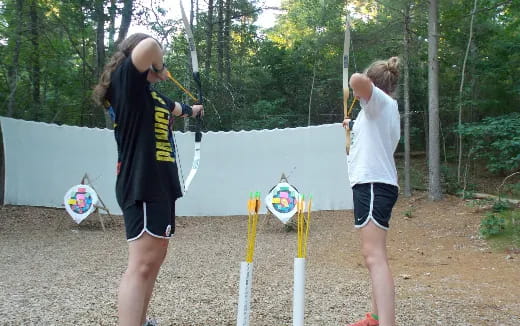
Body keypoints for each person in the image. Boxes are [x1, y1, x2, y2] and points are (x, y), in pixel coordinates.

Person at [93, 33, 203, 326]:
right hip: (141, 181)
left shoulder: (154, 96)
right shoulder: (128, 84)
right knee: (141, 265)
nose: (162, 65)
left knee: (153, 262)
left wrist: (195, 109)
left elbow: (181, 109)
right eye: (159, 63)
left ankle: (140, 322)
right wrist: (159, 64)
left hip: (160, 183)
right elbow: (150, 46)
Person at [342, 57, 401, 326]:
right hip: (374, 184)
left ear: (375, 86)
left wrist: (356, 86)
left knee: (373, 257)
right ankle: (376, 317)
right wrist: (352, 129)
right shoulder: (380, 110)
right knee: (376, 255)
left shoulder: (381, 103)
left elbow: (356, 79)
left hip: (374, 185)